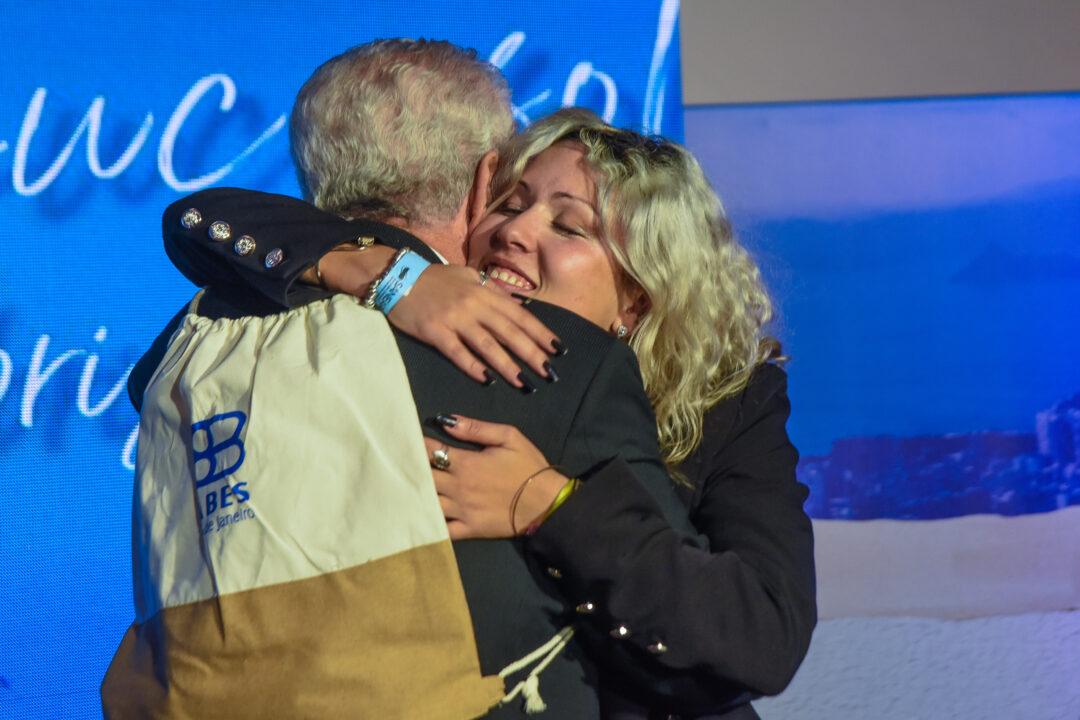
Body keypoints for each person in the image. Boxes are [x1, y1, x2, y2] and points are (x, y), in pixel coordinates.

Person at [145, 106, 816, 718]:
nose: (515, 232)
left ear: (636, 299)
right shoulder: (420, 334)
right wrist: (394, 275)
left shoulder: (732, 401)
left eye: (568, 226)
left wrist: (551, 505)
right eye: (508, 204)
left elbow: (763, 634)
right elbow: (203, 218)